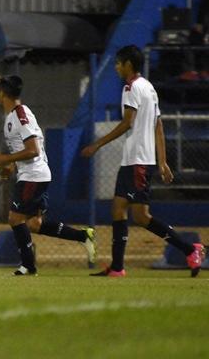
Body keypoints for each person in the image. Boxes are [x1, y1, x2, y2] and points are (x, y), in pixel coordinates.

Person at [82, 45, 205, 277]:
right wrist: (162, 161)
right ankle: (117, 267)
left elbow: (128, 122)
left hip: (138, 160)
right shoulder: (149, 87)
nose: (117, 67)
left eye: (119, 63)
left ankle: (190, 249)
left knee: (141, 216)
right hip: (136, 159)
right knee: (118, 209)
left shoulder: (130, 87)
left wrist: (98, 144)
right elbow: (158, 124)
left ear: (129, 64)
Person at [0, 76, 97, 276]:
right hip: (32, 174)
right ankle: (83, 236)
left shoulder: (21, 115)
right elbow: (23, 149)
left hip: (33, 176)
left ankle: (28, 266)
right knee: (34, 224)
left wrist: (5, 158)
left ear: (2, 93)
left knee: (15, 218)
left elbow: (33, 150)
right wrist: (10, 165)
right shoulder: (11, 117)